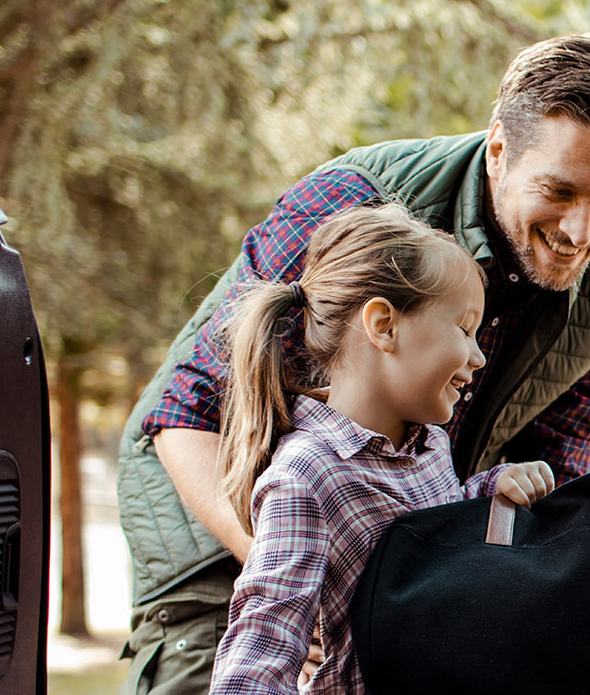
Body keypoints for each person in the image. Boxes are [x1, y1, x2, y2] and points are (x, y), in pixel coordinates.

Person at [114, 31, 590, 692]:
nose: (581, 231)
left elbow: (549, 483)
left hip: (391, 566)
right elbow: (188, 411)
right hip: (222, 524)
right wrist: (298, 580)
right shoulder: (352, 203)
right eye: (560, 190)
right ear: (498, 150)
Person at [206, 204, 557, 694]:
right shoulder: (306, 476)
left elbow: (439, 539)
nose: (478, 357)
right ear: (384, 326)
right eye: (464, 328)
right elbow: (261, 647)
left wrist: (490, 490)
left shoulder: (428, 444)